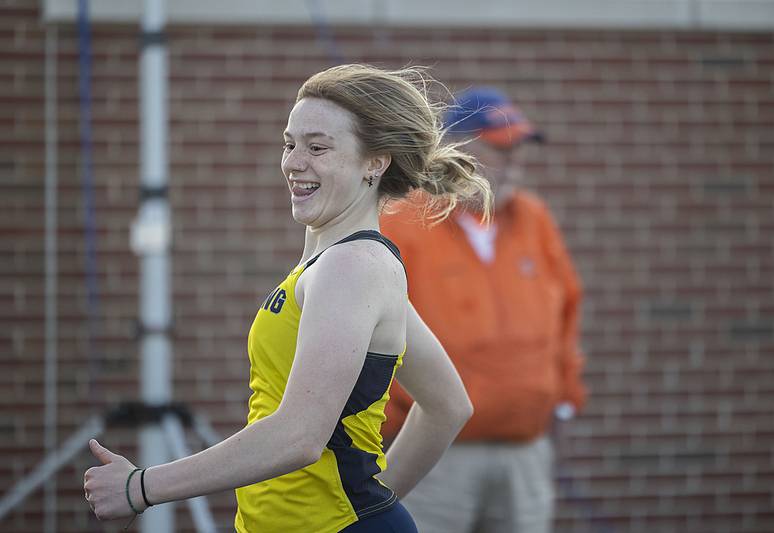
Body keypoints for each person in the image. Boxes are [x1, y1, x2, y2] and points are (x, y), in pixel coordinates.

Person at [82, 64, 494, 533]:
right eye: (290, 143)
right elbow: (449, 404)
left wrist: (140, 487)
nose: (294, 162)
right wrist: (369, 507)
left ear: (374, 164)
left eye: (317, 147)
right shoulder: (341, 264)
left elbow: (299, 436)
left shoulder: (352, 266)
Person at [380, 87, 588, 533]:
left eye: (519, 150)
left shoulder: (534, 219)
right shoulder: (404, 221)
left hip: (525, 450)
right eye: (499, 149)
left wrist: (564, 400)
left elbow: (566, 316)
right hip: (431, 451)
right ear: (454, 152)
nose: (514, 163)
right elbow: (374, 328)